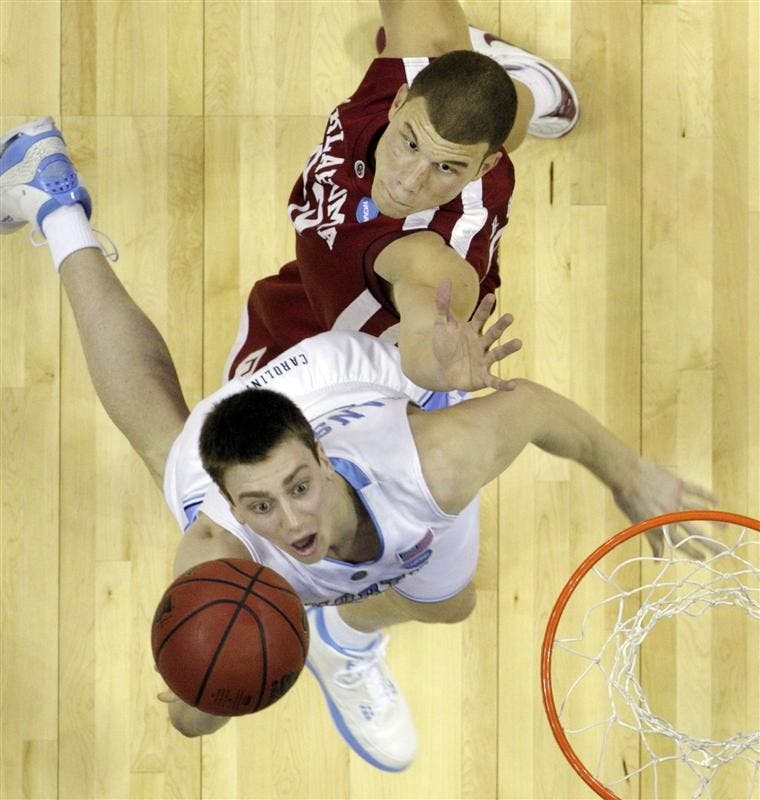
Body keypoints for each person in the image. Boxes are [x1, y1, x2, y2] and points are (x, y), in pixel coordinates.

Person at [0, 120, 716, 772]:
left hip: (352, 371)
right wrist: (205, 694)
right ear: (233, 507)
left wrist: (630, 476)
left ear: (317, 454)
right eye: (260, 507)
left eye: (298, 488)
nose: (291, 523)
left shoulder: (433, 465)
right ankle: (54, 203)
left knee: (449, 601)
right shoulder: (220, 545)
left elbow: (529, 409)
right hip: (255, 420)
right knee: (167, 447)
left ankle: (343, 638)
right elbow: (212, 641)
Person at [222, 0, 579, 392]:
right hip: (309, 292)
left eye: (446, 167)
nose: (409, 183)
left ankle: (534, 85)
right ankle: (519, 81)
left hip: (367, 367)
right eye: (409, 144)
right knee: (456, 66)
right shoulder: (415, 54)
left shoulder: (425, 252)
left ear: (483, 168)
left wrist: (438, 364)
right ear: (398, 102)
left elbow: (430, 313)